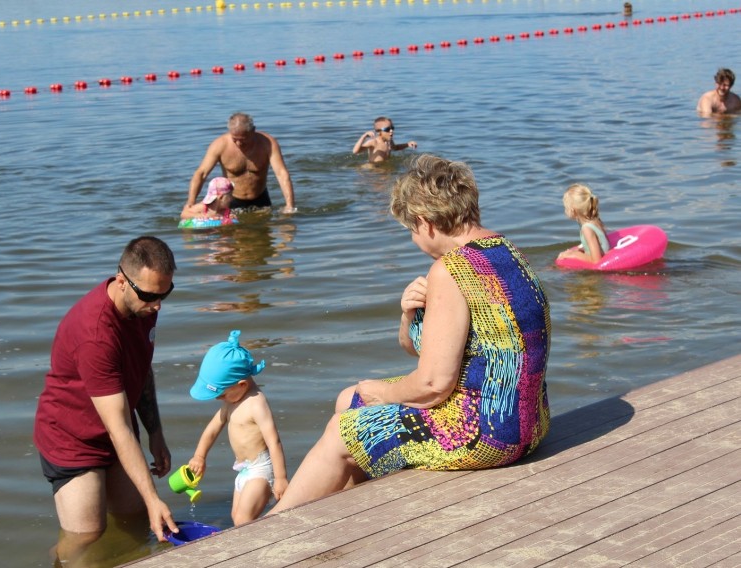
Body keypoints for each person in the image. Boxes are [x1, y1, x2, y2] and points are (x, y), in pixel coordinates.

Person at [269, 155, 551, 514]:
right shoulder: (505, 251)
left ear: (424, 223)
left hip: (487, 434)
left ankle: (263, 532)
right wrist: (408, 314)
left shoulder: (451, 271)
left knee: (345, 431)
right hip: (529, 422)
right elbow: (423, 351)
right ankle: (356, 513)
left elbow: (434, 384)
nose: (414, 239)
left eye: (411, 230)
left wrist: (381, 391)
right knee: (348, 400)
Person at [33, 236, 178, 564]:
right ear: (122, 282)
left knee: (136, 519)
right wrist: (155, 498)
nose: (158, 305)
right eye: (151, 296)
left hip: (115, 430)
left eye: (165, 293)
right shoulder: (96, 335)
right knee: (85, 538)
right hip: (73, 440)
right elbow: (119, 428)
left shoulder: (142, 307)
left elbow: (141, 369)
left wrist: (156, 432)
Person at [188, 330, 288, 525]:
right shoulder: (230, 403)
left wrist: (281, 477)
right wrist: (199, 456)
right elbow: (211, 430)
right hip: (244, 470)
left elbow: (274, 442)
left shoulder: (256, 404)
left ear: (241, 385)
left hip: (261, 469)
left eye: (221, 394)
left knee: (243, 520)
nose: (219, 399)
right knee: (237, 518)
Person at [186, 112, 296, 213]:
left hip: (260, 198)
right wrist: (190, 203)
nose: (238, 143)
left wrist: (290, 205)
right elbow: (201, 174)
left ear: (253, 131)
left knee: (263, 232)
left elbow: (282, 174)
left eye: (243, 139)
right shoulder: (219, 145)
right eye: (235, 139)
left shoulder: (268, 144)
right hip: (231, 200)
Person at [557, 183, 610, 264]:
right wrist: (580, 249)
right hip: (603, 257)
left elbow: (596, 260)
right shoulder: (596, 220)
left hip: (596, 274)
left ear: (572, 210)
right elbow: (600, 244)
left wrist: (574, 254)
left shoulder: (587, 229)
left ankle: (531, 274)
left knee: (554, 267)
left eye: (566, 207)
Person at [352, 116, 417, 164]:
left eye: (392, 128)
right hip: (374, 169)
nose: (391, 131)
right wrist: (363, 136)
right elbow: (355, 151)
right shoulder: (373, 142)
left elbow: (395, 148)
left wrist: (407, 144)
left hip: (385, 167)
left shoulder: (389, 141)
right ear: (379, 132)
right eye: (387, 129)